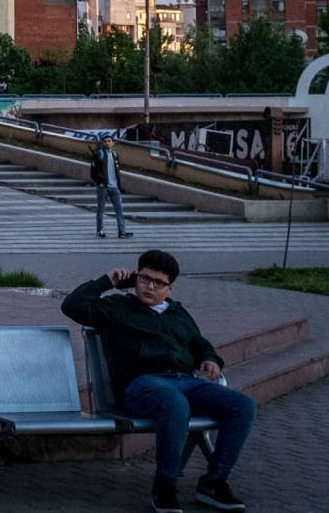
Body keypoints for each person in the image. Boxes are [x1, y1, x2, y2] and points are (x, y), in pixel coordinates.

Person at [62, 250, 255, 512]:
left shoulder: (177, 313)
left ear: (170, 289)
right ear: (135, 277)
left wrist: (211, 359)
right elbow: (72, 305)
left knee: (242, 405)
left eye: (158, 282)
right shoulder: (118, 307)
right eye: (144, 278)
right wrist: (107, 281)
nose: (149, 286)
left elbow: (199, 344)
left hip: (185, 382)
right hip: (141, 384)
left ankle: (214, 482)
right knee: (174, 403)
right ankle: (164, 486)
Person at [92, 134, 132, 238]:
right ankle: (99, 231)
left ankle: (122, 231)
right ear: (102, 143)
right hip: (103, 187)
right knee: (101, 209)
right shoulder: (99, 154)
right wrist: (99, 182)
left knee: (119, 209)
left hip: (115, 187)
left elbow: (117, 170)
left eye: (109, 141)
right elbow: (93, 172)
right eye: (105, 141)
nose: (107, 143)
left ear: (113, 143)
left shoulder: (115, 154)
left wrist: (118, 185)